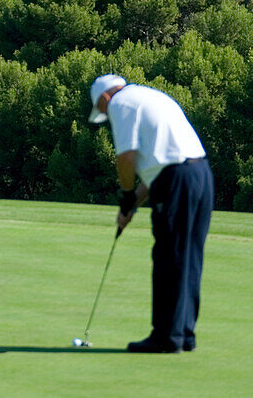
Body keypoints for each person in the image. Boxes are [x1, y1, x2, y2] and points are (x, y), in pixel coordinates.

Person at [88, 74, 214, 354]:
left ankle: (166, 337)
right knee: (189, 255)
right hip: (200, 174)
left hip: (176, 179)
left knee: (169, 255)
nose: (106, 117)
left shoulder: (121, 104)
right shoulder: (149, 96)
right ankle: (183, 334)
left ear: (105, 98)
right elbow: (157, 168)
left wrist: (126, 197)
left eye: (102, 111)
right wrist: (133, 206)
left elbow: (126, 157)